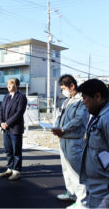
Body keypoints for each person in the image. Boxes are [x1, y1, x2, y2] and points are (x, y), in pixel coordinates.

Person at [51, 75, 89, 208]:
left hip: (74, 140)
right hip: (63, 139)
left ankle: (82, 202)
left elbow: (79, 119)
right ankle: (71, 193)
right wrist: (56, 127)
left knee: (75, 172)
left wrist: (63, 128)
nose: (63, 91)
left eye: (64, 88)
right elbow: (60, 116)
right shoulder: (67, 100)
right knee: (66, 170)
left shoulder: (81, 100)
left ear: (72, 86)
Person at [76, 79, 109, 208]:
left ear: (97, 96)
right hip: (95, 187)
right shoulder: (99, 115)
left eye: (85, 98)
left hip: (103, 191)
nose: (83, 103)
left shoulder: (106, 118)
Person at [0, 78, 27, 180]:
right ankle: (9, 168)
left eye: (11, 84)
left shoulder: (21, 97)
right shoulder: (6, 96)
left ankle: (16, 171)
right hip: (5, 128)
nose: (8, 86)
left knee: (16, 151)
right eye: (8, 85)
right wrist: (1, 123)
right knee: (8, 150)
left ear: (17, 86)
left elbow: (19, 113)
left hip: (15, 129)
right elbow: (1, 110)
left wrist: (7, 123)